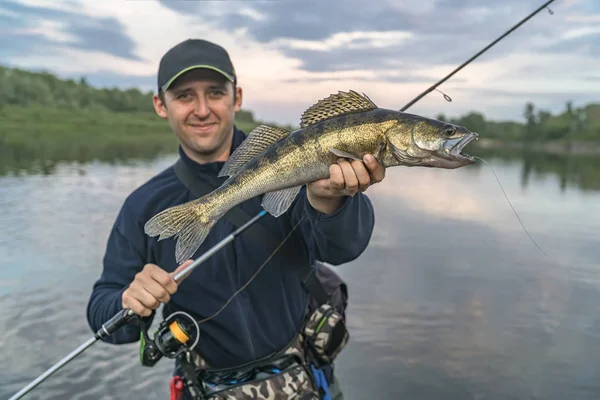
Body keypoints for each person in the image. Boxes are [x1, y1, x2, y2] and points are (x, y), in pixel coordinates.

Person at [86, 38, 385, 400]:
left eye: (215, 92)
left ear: (236, 97)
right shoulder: (144, 205)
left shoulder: (301, 161)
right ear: (160, 105)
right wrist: (128, 302)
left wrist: (331, 199)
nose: (201, 109)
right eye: (184, 96)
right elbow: (105, 318)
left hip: (303, 378)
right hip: (208, 388)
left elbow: (343, 248)